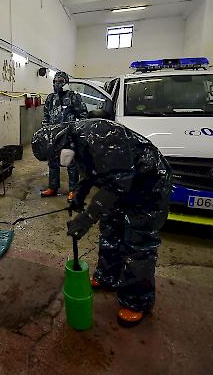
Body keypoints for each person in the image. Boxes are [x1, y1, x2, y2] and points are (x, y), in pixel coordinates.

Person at [31, 118, 171, 326]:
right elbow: (93, 172)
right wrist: (79, 193)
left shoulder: (101, 136)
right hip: (119, 183)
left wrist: (87, 217)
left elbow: (117, 184)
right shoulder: (74, 142)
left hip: (148, 183)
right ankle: (107, 276)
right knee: (110, 228)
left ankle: (136, 301)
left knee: (137, 242)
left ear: (62, 143)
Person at [41, 71, 87, 200]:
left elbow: (83, 115)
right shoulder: (50, 98)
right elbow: (46, 116)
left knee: (71, 163)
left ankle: (73, 190)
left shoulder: (73, 96)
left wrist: (77, 129)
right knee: (53, 162)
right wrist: (46, 129)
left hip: (68, 135)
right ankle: (53, 187)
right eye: (55, 81)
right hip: (53, 136)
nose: (57, 84)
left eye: (60, 81)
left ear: (66, 82)